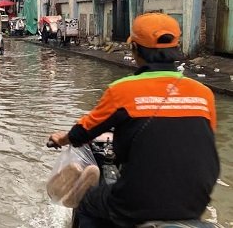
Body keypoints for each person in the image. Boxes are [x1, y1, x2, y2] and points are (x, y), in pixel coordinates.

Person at [48, 13, 219, 227]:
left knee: (87, 203)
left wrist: (60, 139)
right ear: (175, 50)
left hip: (138, 202)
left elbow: (83, 131)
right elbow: (200, 139)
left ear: (135, 50)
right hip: (195, 202)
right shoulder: (204, 94)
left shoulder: (122, 90)